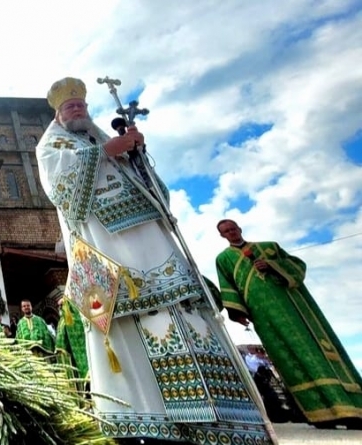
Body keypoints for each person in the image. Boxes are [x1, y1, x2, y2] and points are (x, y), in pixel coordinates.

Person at [35, 77, 272, 444]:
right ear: (57, 113)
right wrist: (106, 152)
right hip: (106, 248)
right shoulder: (53, 145)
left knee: (181, 312)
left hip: (152, 241)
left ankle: (220, 419)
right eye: (69, 107)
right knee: (123, 321)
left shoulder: (100, 136)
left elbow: (158, 196)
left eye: (80, 105)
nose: (77, 110)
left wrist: (138, 157)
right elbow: (62, 188)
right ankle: (141, 423)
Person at [216, 219, 362, 429]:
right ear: (222, 236)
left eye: (232, 229)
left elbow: (296, 266)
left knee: (318, 351)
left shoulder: (269, 247)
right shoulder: (223, 258)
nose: (231, 233)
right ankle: (319, 414)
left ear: (239, 229)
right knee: (287, 358)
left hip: (296, 309)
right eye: (226, 231)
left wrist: (272, 265)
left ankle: (352, 409)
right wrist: (237, 312)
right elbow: (227, 285)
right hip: (264, 314)